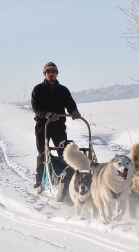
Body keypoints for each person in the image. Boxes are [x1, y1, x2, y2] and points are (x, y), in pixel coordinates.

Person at [31, 62, 81, 192]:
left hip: (58, 127)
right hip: (43, 126)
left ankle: (66, 180)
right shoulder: (38, 90)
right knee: (43, 153)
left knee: (64, 153)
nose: (51, 74)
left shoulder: (63, 90)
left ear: (57, 74)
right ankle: (39, 182)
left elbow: (70, 103)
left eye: (53, 72)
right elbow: (36, 108)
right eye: (48, 72)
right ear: (45, 74)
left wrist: (74, 111)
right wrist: (46, 114)